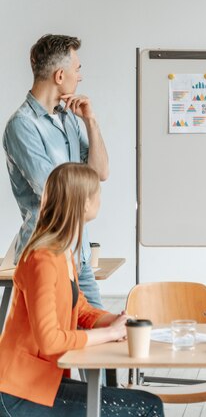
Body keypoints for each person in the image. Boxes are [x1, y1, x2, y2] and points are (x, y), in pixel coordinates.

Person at [0, 163, 163, 416]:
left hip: (40, 383)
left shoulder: (63, 251)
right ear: (84, 203)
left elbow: (81, 307)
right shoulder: (42, 258)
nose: (100, 197)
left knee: (147, 401)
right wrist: (109, 334)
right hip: (18, 393)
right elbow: (50, 339)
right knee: (147, 406)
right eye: (97, 192)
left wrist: (116, 321)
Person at [3, 34, 108, 308]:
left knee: (104, 334)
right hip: (46, 256)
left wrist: (91, 122)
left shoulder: (69, 119)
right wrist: (91, 202)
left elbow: (101, 172)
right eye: (77, 69)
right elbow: (53, 188)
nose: (80, 76)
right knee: (55, 345)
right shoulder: (22, 126)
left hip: (79, 253)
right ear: (60, 75)